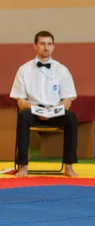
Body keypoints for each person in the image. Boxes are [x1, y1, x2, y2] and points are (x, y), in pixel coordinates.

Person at [10, 30, 79, 178]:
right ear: (35, 46)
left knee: (71, 117)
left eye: (49, 44)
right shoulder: (24, 70)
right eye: (42, 44)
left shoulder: (62, 70)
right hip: (33, 110)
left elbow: (68, 100)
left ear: (54, 46)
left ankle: (69, 165)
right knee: (23, 116)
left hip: (55, 110)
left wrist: (54, 110)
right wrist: (35, 109)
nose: (46, 47)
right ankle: (23, 166)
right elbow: (20, 100)